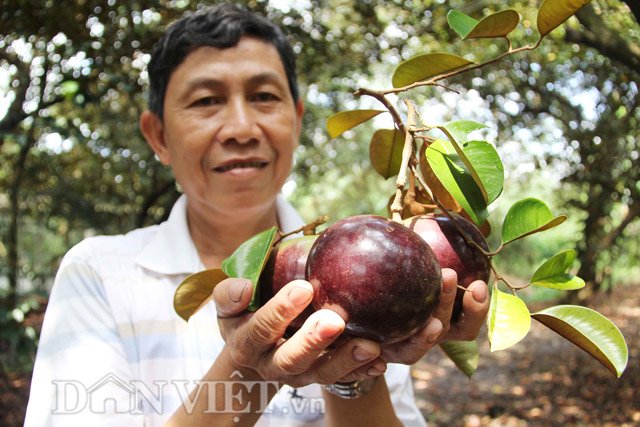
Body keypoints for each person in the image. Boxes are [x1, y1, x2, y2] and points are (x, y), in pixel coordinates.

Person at [24, 3, 489, 426]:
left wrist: (355, 362)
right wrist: (249, 368)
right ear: (159, 135)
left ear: (297, 118)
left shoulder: (364, 261)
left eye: (264, 97)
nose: (243, 128)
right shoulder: (100, 274)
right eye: (206, 101)